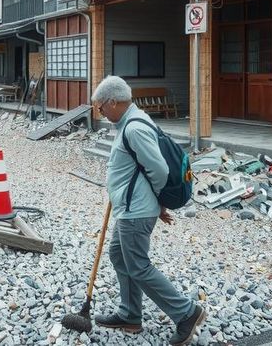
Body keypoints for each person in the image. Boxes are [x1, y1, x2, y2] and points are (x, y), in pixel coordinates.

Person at [91, 75, 205, 345]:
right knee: (119, 256)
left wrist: (156, 203)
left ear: (114, 102)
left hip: (136, 211)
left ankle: (187, 312)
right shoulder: (130, 121)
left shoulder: (134, 128)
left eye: (101, 107)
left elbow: (159, 169)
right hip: (131, 207)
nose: (100, 112)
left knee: (139, 266)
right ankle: (130, 315)